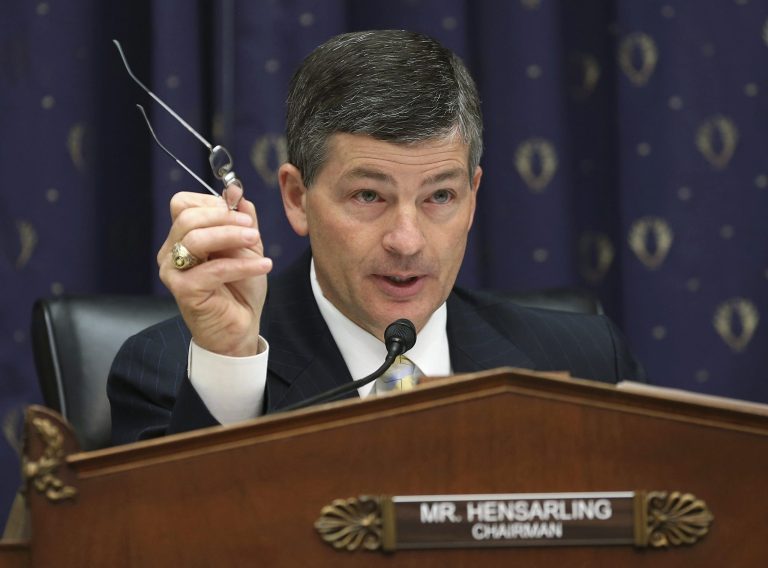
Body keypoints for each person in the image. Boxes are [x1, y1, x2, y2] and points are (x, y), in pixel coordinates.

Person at [108, 30, 643, 445]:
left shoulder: (589, 363)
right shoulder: (173, 369)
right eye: (369, 196)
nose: (407, 242)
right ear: (296, 197)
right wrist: (230, 368)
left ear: (473, 197)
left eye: (439, 196)